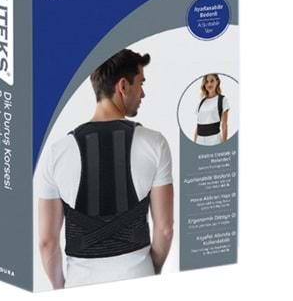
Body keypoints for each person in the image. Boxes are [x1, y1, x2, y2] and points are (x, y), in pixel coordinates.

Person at [38, 49, 174, 288]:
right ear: (123, 86)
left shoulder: (57, 152)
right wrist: (151, 272)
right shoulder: (154, 143)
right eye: (140, 83)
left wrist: (60, 289)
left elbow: (47, 243)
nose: (142, 93)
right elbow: (164, 230)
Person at [193, 73, 230, 146]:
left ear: (217, 81)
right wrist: (194, 143)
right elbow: (198, 125)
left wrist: (224, 145)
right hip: (199, 140)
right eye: (207, 82)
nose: (209, 84)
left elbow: (224, 125)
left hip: (214, 140)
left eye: (212, 81)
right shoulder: (201, 102)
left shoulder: (222, 100)